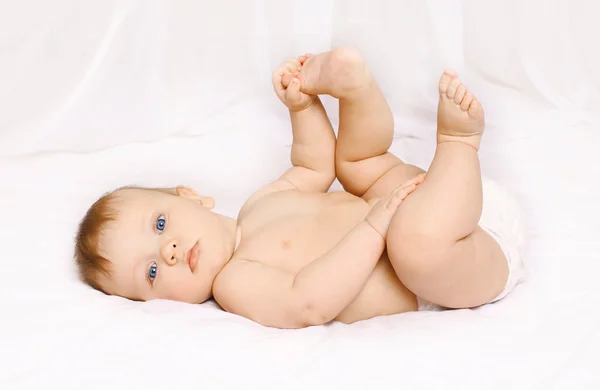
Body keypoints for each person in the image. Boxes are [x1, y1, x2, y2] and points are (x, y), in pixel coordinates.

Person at [74, 48, 524, 328]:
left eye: (159, 223)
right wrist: (374, 225)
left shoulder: (258, 205)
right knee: (412, 244)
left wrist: (302, 107)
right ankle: (459, 143)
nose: (168, 251)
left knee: (357, 165)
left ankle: (354, 88)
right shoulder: (234, 282)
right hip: (448, 271)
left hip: (433, 200)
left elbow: (313, 164)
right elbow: (307, 302)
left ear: (190, 196)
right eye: (151, 273)